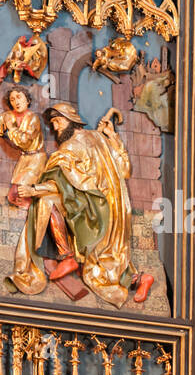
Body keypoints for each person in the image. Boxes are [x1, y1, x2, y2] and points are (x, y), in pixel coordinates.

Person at [9, 103, 153, 306]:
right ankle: (140, 279)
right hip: (115, 213)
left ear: (71, 119)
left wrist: (34, 190)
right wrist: (113, 136)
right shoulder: (100, 139)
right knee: (111, 262)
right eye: (53, 123)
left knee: (46, 201)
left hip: (95, 213)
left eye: (58, 121)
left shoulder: (69, 148)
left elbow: (61, 183)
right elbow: (125, 169)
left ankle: (66, 255)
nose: (56, 127)